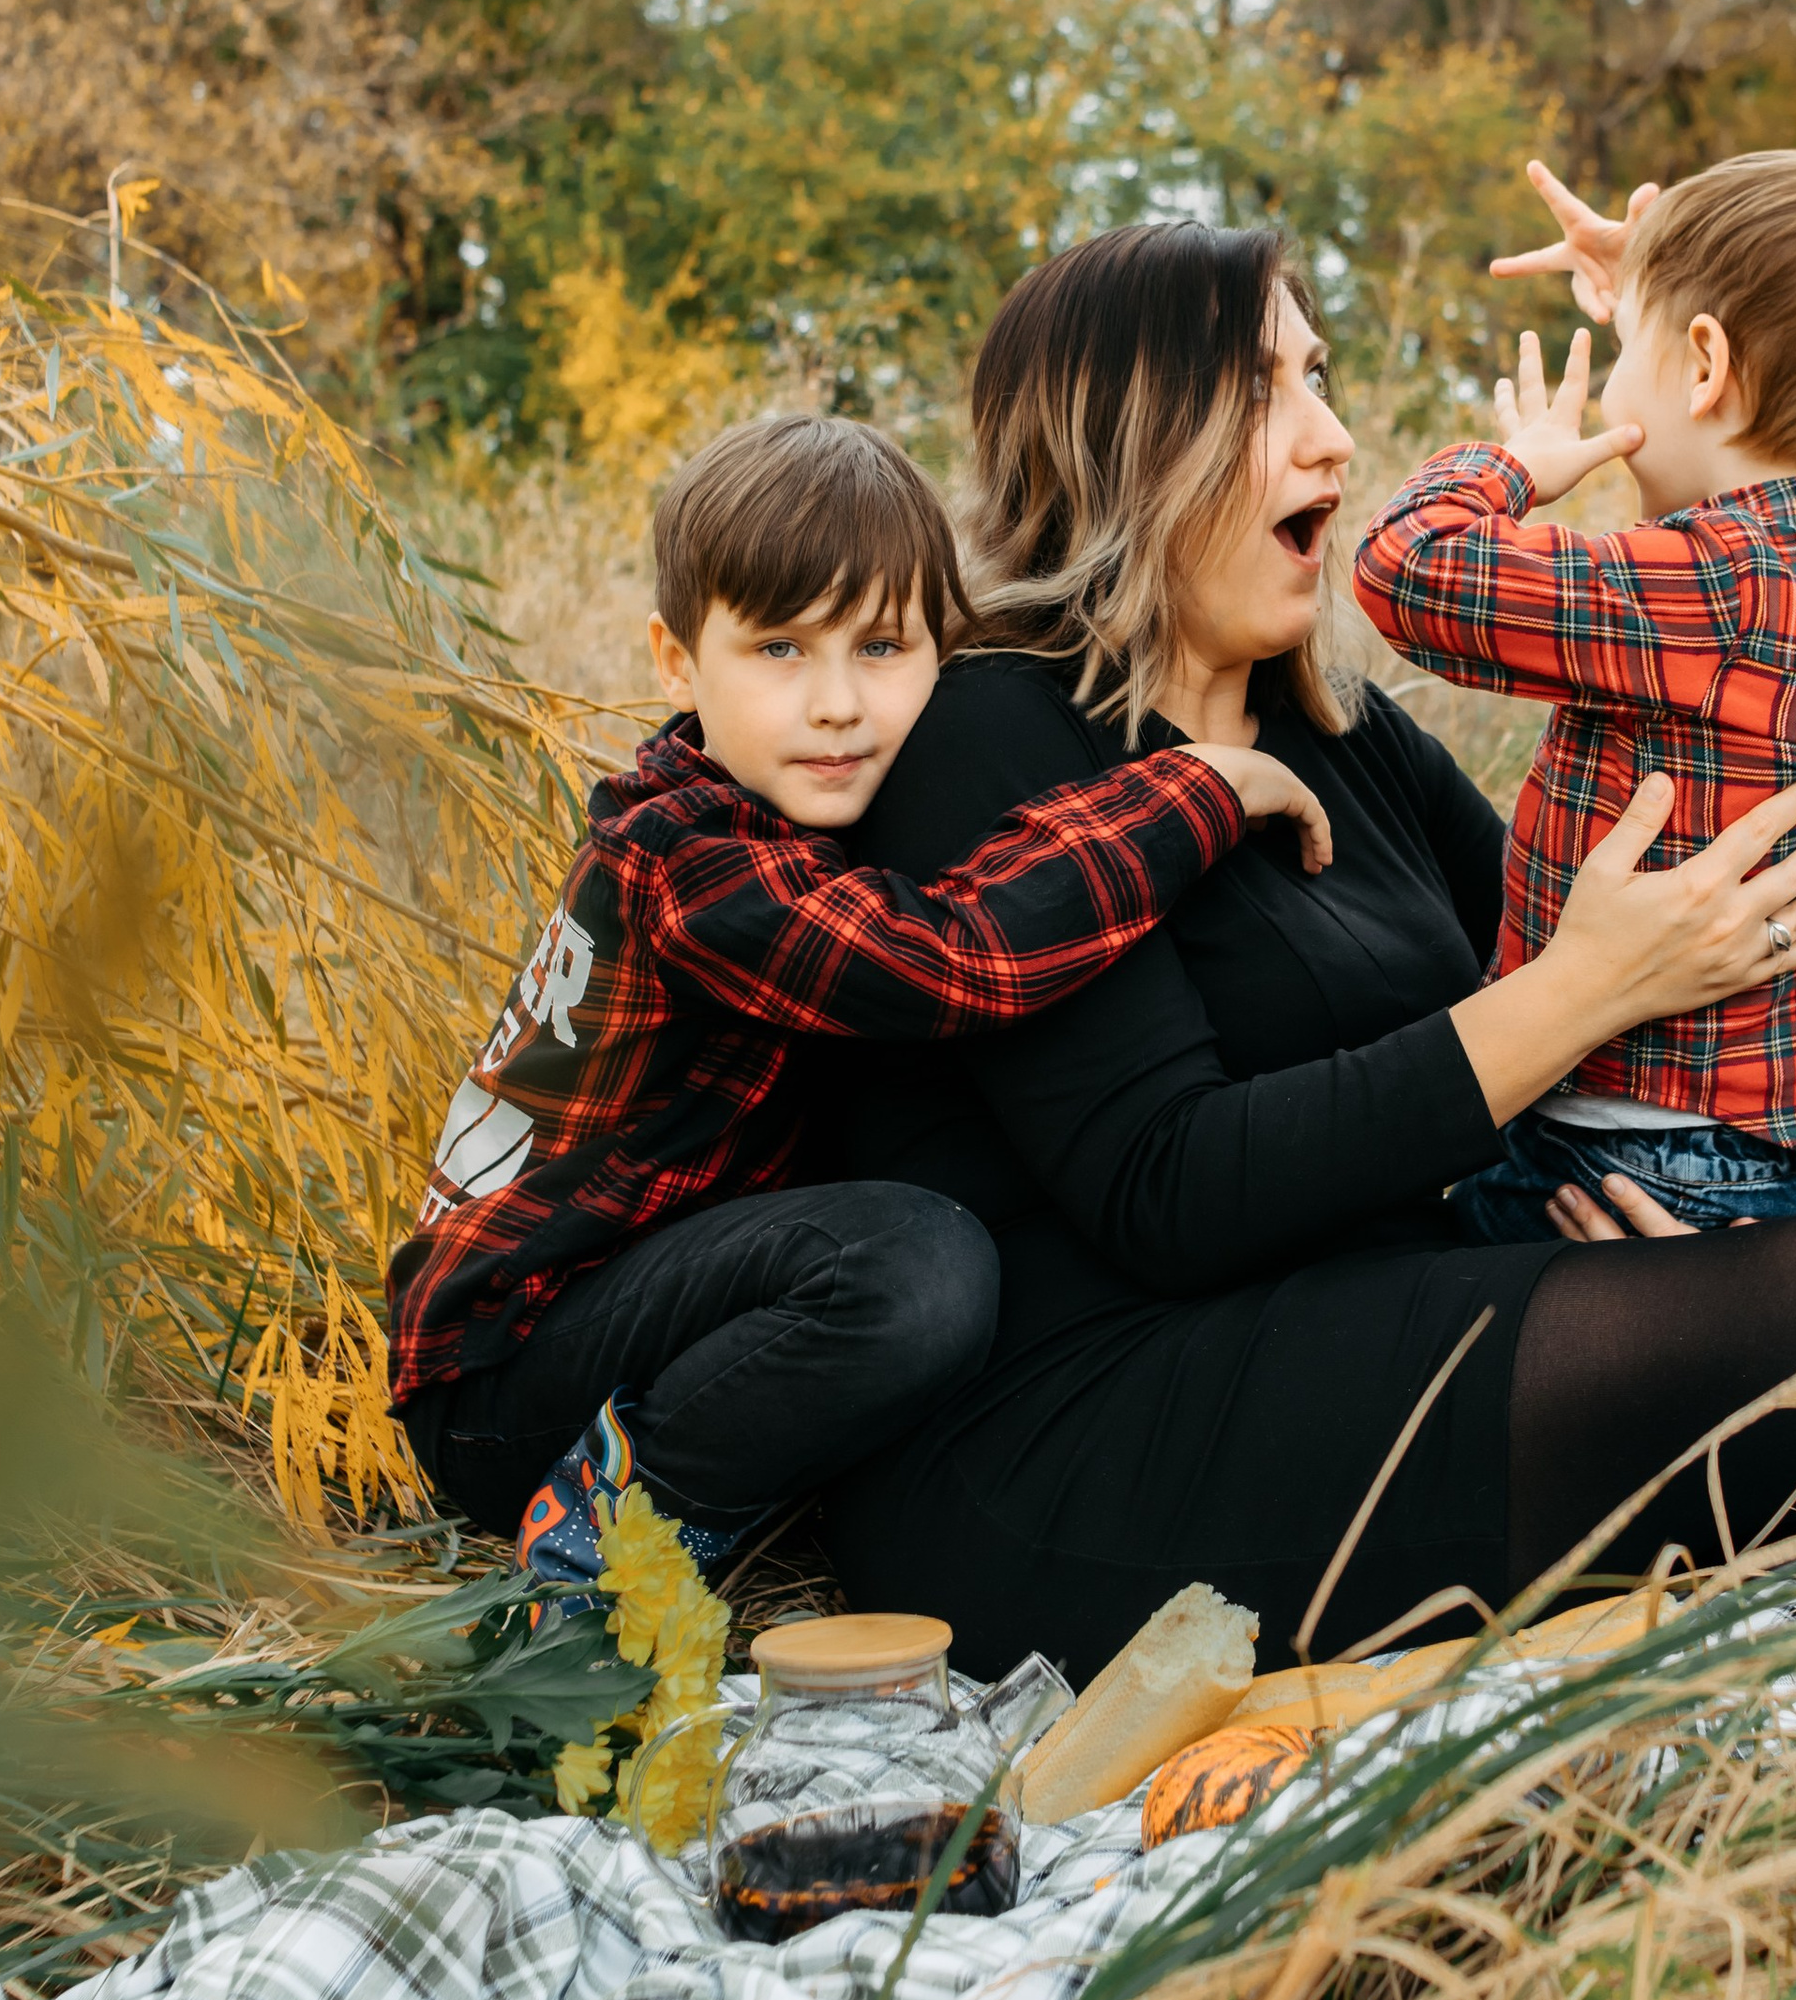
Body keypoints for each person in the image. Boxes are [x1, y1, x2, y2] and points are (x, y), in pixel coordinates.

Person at [823, 220, 1796, 1685]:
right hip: (1089, 1456)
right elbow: (1170, 1190)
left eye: (1320, 376)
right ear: (1123, 442)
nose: (1333, 437)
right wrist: (1589, 989)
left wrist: (1595, 1185)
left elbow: (1564, 1008)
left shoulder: (1346, 738)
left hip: (1359, 1323)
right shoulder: (993, 737)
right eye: (1261, 393)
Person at [387, 409, 1334, 1596]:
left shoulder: (786, 823)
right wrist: (1194, 786)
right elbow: (962, 957)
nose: (836, 703)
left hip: (644, 1318)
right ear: (677, 662)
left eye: (882, 648)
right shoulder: (694, 866)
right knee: (910, 1265)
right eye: (779, 650)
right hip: (504, 1376)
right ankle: (595, 1566)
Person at [1355, 150, 1796, 1238]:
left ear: (1702, 366)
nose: (1611, 379)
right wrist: (1654, 281)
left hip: (1637, 1144)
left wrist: (1519, 465)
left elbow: (1407, 566)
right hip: (1756, 1129)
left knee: (1417, 1310)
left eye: (1628, 341)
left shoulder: (1715, 586)